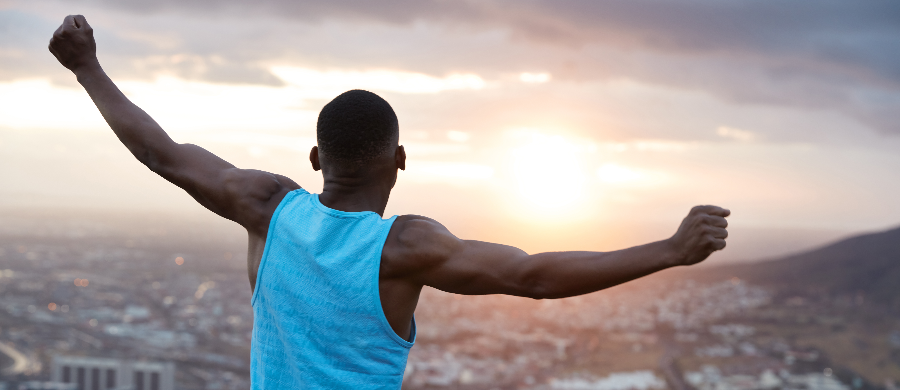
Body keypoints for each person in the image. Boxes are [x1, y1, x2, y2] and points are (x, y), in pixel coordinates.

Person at [49, 14, 730, 389]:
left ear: (315, 160)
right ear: (400, 162)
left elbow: (161, 153)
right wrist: (669, 251)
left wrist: (87, 67)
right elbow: (532, 276)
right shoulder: (404, 249)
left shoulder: (267, 206)